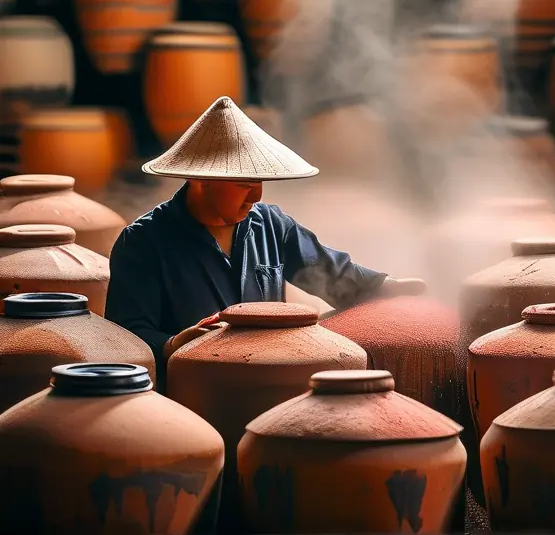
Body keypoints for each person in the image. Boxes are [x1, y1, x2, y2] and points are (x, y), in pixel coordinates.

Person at [105, 96, 425, 388]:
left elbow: (333, 276)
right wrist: (174, 344)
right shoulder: (143, 243)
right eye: (244, 184)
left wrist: (385, 287)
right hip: (195, 392)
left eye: (259, 182)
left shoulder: (271, 225)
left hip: (273, 381)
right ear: (200, 178)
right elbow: (126, 341)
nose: (256, 196)